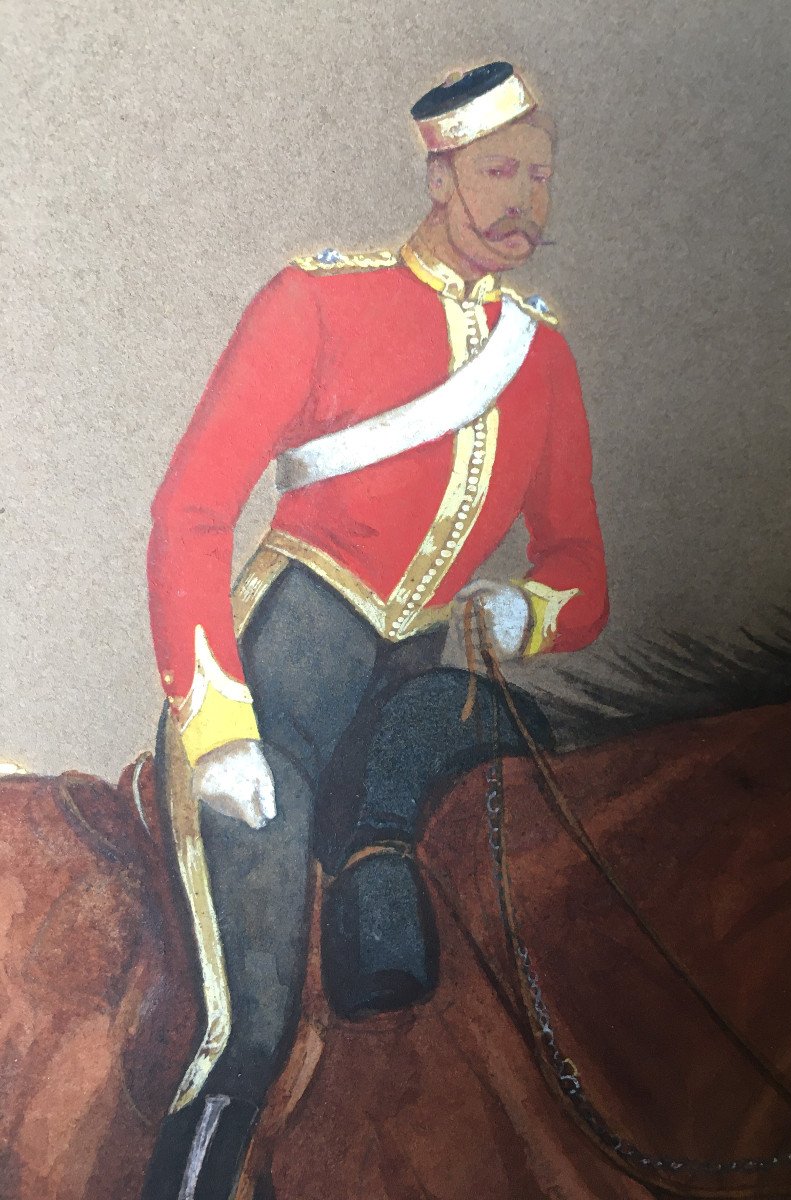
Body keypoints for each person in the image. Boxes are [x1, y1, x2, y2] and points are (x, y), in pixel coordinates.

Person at [142, 60, 609, 1200]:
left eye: (541, 177)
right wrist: (218, 726)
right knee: (249, 1032)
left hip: (404, 723)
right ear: (440, 169)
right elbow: (189, 515)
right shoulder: (317, 298)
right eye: (500, 171)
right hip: (275, 702)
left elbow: (581, 573)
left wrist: (524, 611)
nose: (525, 204)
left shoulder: (538, 354)